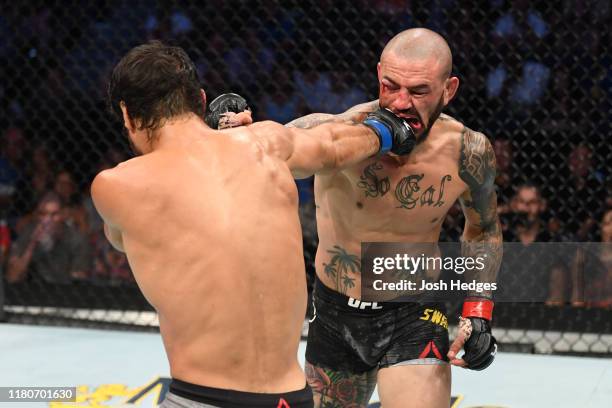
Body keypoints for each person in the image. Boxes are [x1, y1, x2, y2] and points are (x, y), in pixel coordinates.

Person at [92, 41, 416, 408]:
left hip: (203, 398)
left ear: (128, 115)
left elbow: (120, 239)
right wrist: (388, 130)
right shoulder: (265, 143)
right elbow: (333, 145)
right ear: (200, 99)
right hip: (292, 398)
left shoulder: (116, 185)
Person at [286, 28, 502, 408]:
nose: (401, 102)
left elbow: (483, 228)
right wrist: (236, 127)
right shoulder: (335, 133)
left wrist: (479, 309)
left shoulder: (468, 151)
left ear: (448, 90)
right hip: (336, 311)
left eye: (418, 91)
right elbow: (271, 150)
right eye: (391, 86)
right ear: (378, 76)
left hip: (414, 311)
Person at [6, 192, 91, 284]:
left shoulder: (76, 238)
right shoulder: (29, 232)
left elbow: (78, 280)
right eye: (43, 214)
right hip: (32, 291)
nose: (47, 220)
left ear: (62, 215)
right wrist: (32, 244)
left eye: (54, 214)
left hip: (64, 291)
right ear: (37, 215)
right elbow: (12, 277)